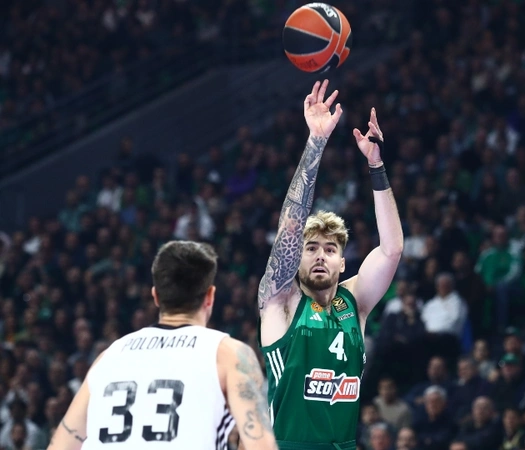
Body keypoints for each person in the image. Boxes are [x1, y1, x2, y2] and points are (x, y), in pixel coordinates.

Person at [257, 79, 404, 449]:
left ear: (342, 263)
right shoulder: (281, 302)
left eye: (329, 249)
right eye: (311, 248)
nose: (320, 255)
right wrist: (316, 142)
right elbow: (291, 226)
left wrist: (376, 166)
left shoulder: (354, 302)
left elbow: (391, 250)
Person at [47, 241, 277, 450]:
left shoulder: (109, 356)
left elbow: (62, 445)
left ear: (156, 296)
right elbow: (260, 446)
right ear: (210, 296)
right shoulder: (229, 354)